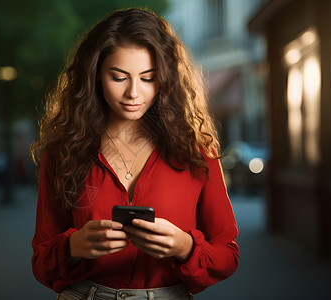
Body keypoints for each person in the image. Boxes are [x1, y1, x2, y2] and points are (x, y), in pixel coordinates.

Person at [30, 8, 239, 300]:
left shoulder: (196, 152)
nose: (133, 93)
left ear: (165, 79)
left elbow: (227, 255)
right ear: (96, 76)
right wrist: (74, 246)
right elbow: (41, 263)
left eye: (148, 78)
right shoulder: (63, 151)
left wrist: (185, 247)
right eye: (118, 77)